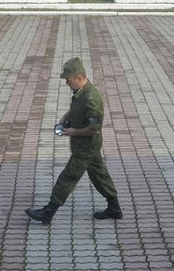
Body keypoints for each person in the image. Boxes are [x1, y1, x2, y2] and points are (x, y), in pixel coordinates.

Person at [26, 57, 123, 224]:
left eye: (68, 80)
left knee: (68, 177)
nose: (66, 83)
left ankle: (48, 213)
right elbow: (76, 109)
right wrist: (66, 117)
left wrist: (73, 132)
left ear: (79, 77)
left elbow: (94, 129)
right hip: (85, 145)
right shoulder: (80, 92)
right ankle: (114, 208)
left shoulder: (91, 98)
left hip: (87, 146)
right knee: (100, 175)